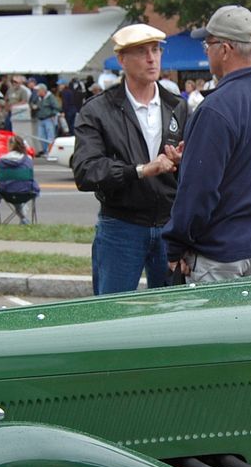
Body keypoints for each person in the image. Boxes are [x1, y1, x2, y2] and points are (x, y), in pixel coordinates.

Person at [164, 4, 251, 283]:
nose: (206, 52)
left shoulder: (216, 108)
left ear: (224, 50)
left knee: (214, 327)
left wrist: (175, 245)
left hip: (221, 256)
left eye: (207, 45)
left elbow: (199, 192)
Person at [71, 24, 189, 293]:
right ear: (122, 60)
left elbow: (195, 172)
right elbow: (86, 171)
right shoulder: (97, 109)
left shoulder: (177, 106)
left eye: (156, 50)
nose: (152, 58)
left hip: (169, 225)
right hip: (121, 226)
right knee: (111, 313)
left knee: (173, 315)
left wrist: (184, 161)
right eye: (141, 51)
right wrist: (141, 170)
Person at [34, 82, 62, 147]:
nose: (37, 91)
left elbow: (57, 107)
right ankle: (45, 151)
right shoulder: (38, 98)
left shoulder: (50, 97)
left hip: (48, 119)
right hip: (40, 119)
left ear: (43, 90)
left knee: (50, 137)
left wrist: (52, 114)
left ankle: (49, 151)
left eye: (38, 90)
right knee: (41, 137)